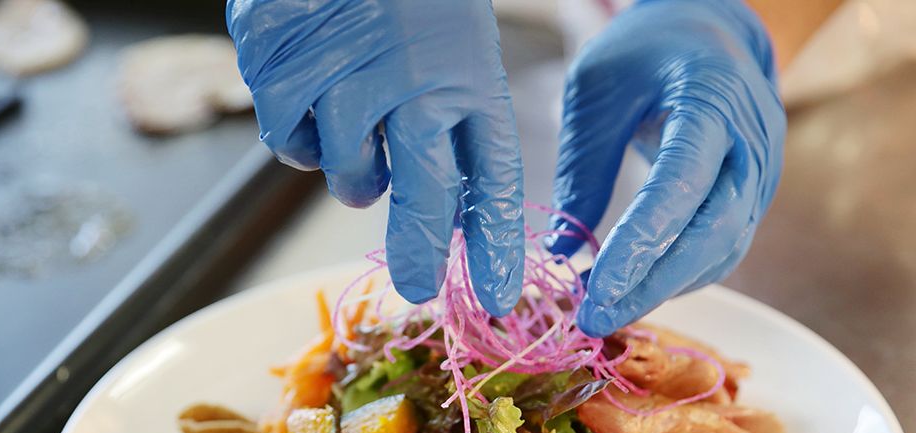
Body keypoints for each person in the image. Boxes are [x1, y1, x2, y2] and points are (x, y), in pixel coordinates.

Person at [226, 0, 839, 336]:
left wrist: (735, 13)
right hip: (434, 42)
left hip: (814, 91)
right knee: (433, 252)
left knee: (646, 257)